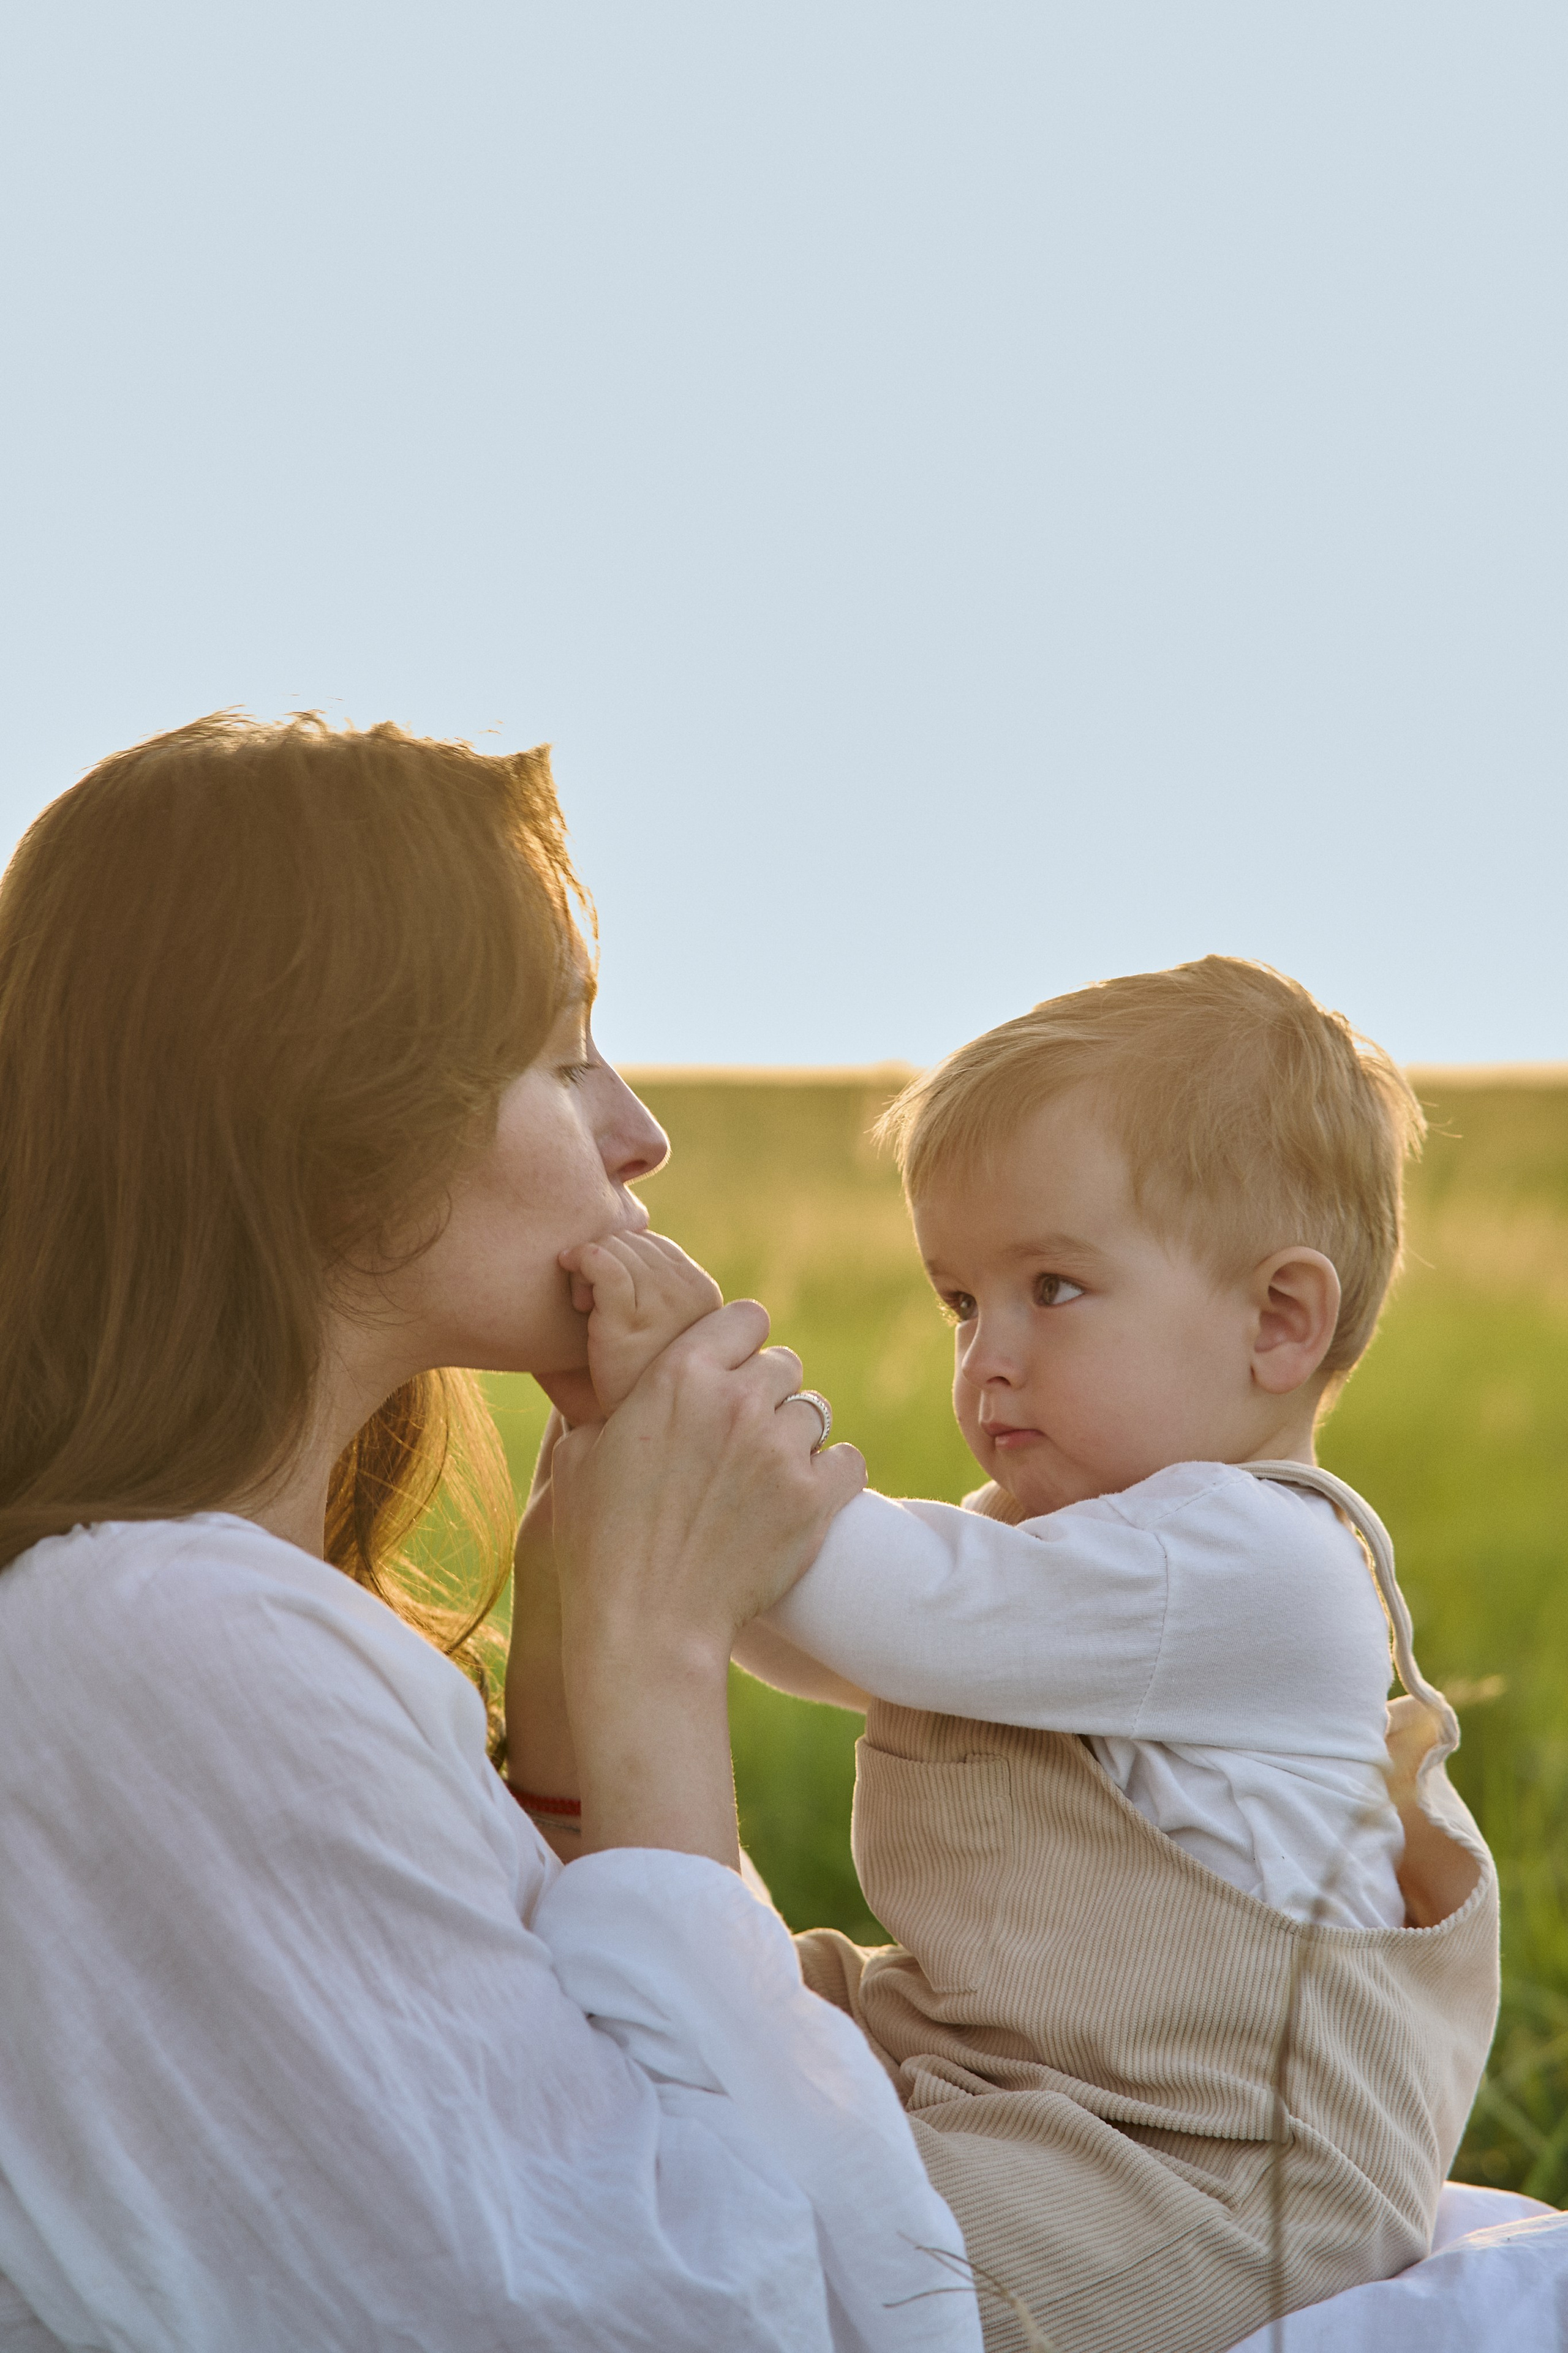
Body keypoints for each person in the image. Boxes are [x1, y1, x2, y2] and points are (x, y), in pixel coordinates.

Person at [0, 713, 982, 2353]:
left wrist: (573, 1710)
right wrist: (657, 1652)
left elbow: (582, 2115)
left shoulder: (208, 1620)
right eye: (561, 1055)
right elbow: (729, 2315)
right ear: (331, 1114)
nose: (638, 1132)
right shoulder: (160, 1638)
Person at [564, 960, 1501, 2353]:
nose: (985, 1356)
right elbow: (808, 1631)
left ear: (1276, 1322)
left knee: (851, 2246)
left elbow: (877, 1609)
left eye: (1050, 1288)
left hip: (1218, 2176)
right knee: (745, 2025)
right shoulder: (1066, 1544)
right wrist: (646, 1488)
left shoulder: (1248, 1560)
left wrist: (680, 1393)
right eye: (958, 1301)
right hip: (1028, 2090)